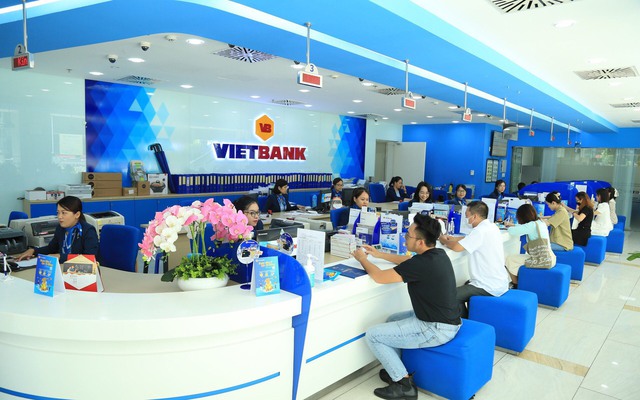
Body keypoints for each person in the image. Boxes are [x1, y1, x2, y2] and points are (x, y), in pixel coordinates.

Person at [352, 214, 461, 400]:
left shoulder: (422, 263)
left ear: (420, 242)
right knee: (392, 320)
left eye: (408, 235)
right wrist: (379, 254)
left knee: (373, 335)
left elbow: (379, 277)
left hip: (435, 329)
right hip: (445, 321)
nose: (404, 236)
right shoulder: (436, 255)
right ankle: (396, 370)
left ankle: (404, 385)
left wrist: (362, 259)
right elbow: (408, 262)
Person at [439, 201, 510, 318]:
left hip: (488, 286)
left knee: (451, 296)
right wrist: (452, 238)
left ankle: (465, 322)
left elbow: (457, 248)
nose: (466, 220)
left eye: (467, 216)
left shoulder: (479, 231)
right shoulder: (492, 227)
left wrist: (443, 240)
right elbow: (469, 238)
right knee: (466, 284)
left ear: (475, 216)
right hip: (500, 282)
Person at [16, 196, 99, 264]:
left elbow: (89, 257)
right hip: (62, 268)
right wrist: (33, 251)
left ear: (77, 214)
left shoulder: (88, 231)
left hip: (80, 272)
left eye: (64, 213)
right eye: (58, 212)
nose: (59, 216)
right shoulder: (61, 228)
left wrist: (61, 256)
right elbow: (51, 248)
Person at [504, 204, 556, 286]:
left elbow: (512, 231)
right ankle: (520, 282)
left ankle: (515, 284)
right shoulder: (540, 222)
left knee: (509, 259)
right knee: (517, 259)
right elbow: (525, 227)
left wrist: (508, 227)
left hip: (541, 260)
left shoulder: (531, 225)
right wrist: (513, 225)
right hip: (550, 257)